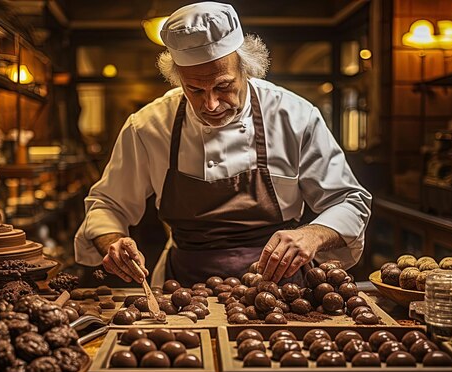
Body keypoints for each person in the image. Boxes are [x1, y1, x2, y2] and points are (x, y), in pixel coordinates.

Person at [74, 1, 372, 288]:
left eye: (223, 86)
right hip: (184, 288)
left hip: (280, 289)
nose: (211, 103)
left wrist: (313, 235)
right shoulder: (148, 125)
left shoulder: (294, 116)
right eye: (195, 89)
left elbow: (348, 201)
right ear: (178, 79)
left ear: (247, 68)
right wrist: (113, 241)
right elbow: (108, 205)